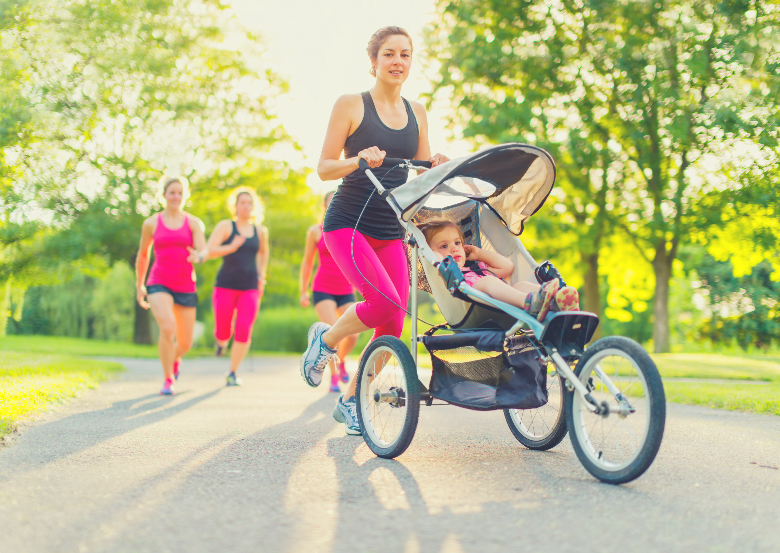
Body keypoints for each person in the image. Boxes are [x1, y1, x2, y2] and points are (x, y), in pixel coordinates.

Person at [298, 26, 450, 435]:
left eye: (405, 54)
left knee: (393, 323)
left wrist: (432, 166)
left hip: (391, 228)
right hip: (348, 222)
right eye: (389, 54)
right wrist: (359, 159)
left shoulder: (417, 112)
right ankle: (326, 342)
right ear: (374, 62)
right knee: (381, 303)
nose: (398, 61)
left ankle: (351, 401)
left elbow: (416, 173)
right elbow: (325, 167)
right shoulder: (351, 104)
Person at [417, 218, 580, 321]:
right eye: (444, 246)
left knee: (520, 285)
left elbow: (507, 267)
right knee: (489, 280)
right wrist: (432, 253)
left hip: (505, 305)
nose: (454, 249)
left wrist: (479, 254)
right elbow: (435, 260)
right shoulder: (448, 274)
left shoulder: (478, 270)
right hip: (475, 311)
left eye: (457, 243)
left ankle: (556, 301)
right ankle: (531, 302)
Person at [136, 175, 208, 395]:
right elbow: (143, 255)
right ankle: (168, 379)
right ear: (164, 195)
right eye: (172, 192)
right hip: (159, 282)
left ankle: (175, 358)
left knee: (185, 344)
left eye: (179, 193)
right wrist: (140, 286)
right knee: (167, 327)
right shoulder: (151, 223)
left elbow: (203, 249)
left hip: (185, 284)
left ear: (184, 196)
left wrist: (199, 256)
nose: (176, 196)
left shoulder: (194, 223)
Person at [189, 187, 269, 386]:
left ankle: (232, 372)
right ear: (235, 206)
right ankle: (221, 342)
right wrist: (231, 247)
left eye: (249, 203)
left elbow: (262, 253)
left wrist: (261, 275)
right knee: (223, 329)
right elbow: (210, 250)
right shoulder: (226, 226)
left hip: (250, 286)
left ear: (254, 207)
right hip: (226, 284)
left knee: (243, 328)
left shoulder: (260, 231)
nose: (246, 206)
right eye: (242, 202)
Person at [299, 192, 359, 393]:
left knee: (353, 334)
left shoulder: (351, 230)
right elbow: (307, 262)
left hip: (345, 289)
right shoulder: (315, 232)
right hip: (322, 288)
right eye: (330, 201)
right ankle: (333, 377)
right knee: (332, 329)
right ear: (325, 206)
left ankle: (340, 361)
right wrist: (303, 290)